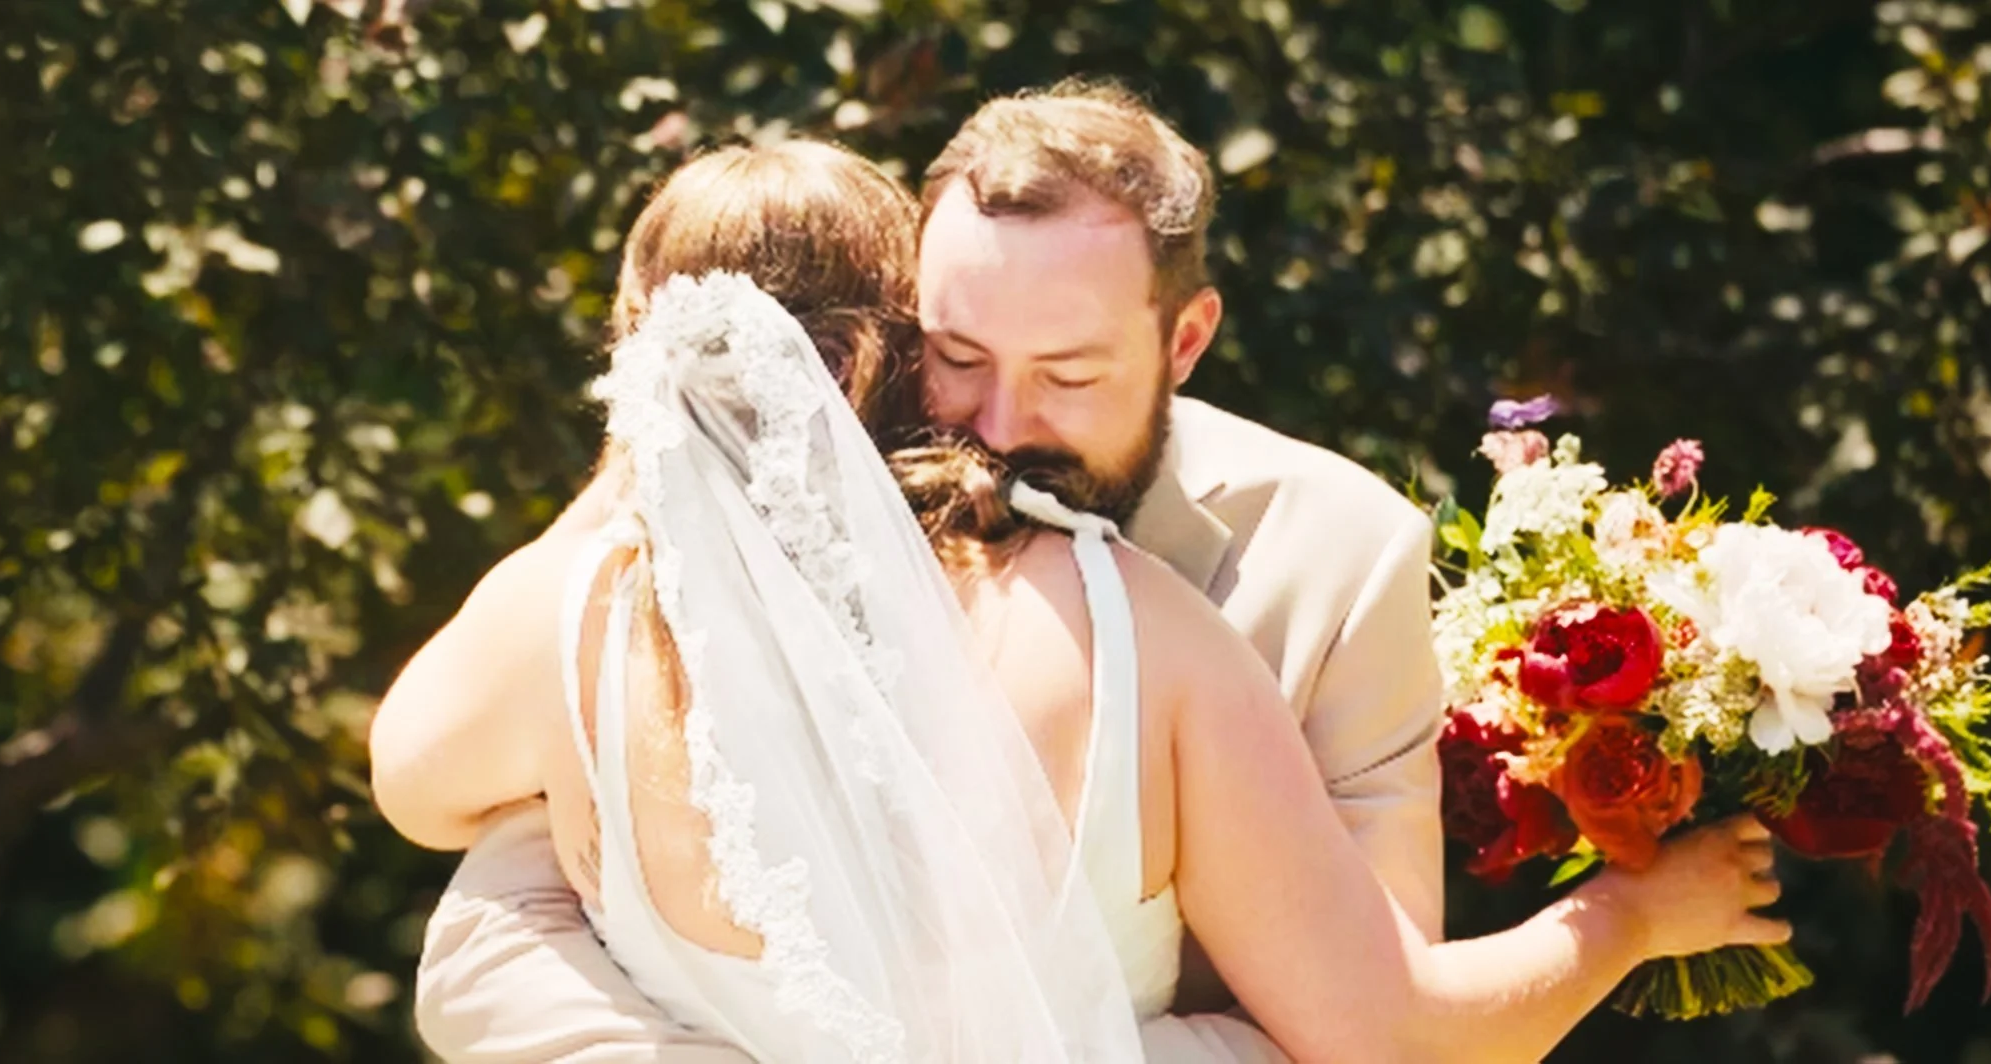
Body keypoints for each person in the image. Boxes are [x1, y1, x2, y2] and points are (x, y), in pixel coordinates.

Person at [375, 90, 1785, 1064]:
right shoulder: (1134, 639)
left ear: (1185, 342)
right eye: (959, 357)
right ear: (879, 335)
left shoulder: (1334, 561)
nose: (993, 428)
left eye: (1068, 375)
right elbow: (500, 930)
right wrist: (1630, 920)